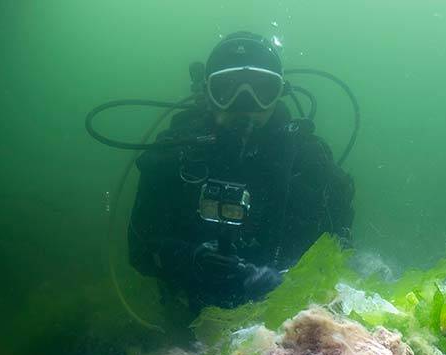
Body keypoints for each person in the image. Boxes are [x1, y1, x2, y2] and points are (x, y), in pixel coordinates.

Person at [129, 32, 354, 311]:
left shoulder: (308, 160)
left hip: (288, 316)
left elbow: (338, 244)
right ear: (206, 93)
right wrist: (191, 258)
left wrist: (289, 278)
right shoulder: (173, 155)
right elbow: (140, 250)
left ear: (280, 92)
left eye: (263, 89)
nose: (244, 103)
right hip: (191, 310)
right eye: (226, 88)